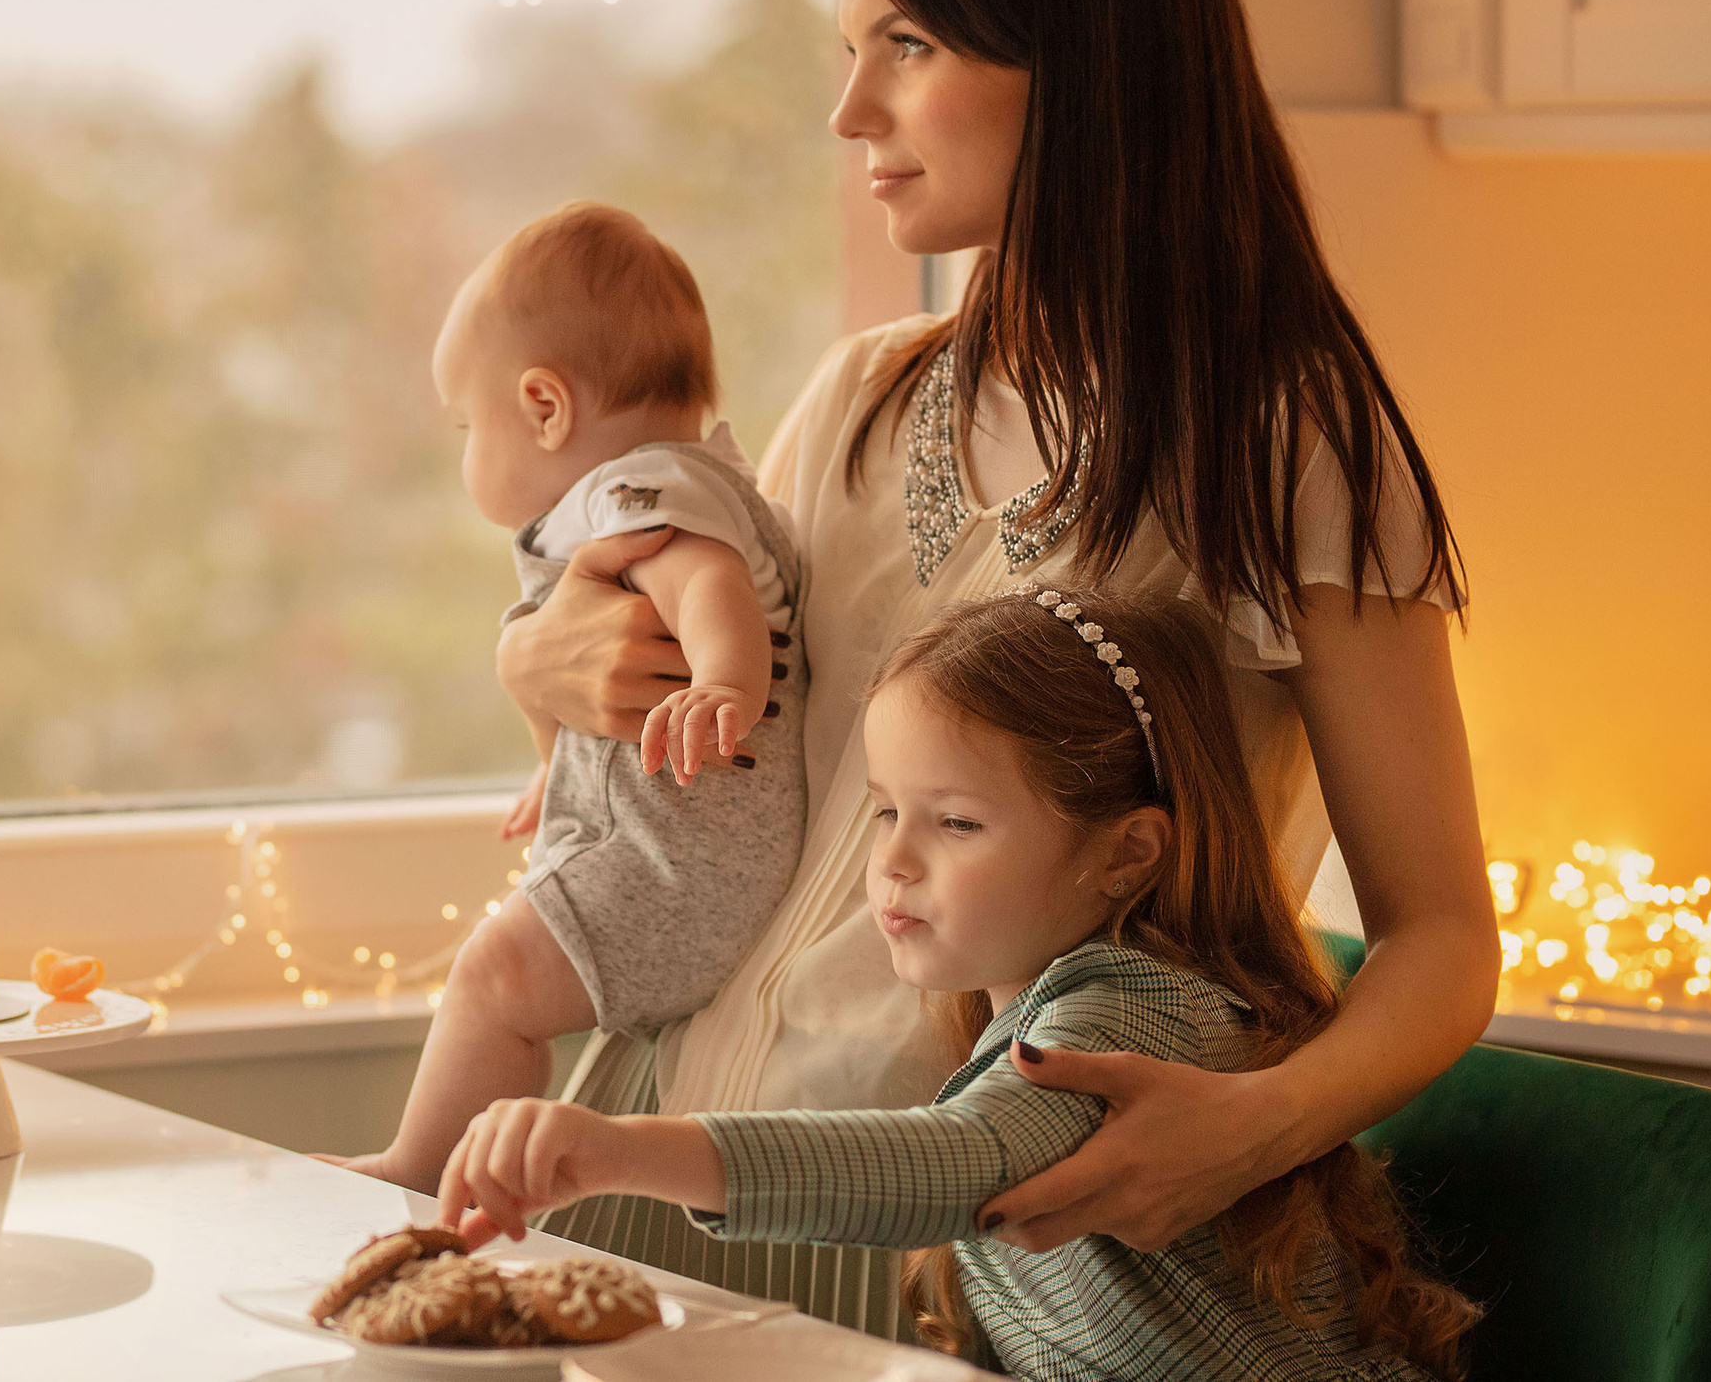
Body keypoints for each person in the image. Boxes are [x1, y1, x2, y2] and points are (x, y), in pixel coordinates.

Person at [494, 0, 1499, 1334]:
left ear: (1080, 64)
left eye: (903, 43)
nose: (848, 108)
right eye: (851, 47)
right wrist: (541, 662)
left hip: (944, 1224)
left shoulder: (1286, 440)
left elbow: (1442, 935)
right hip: (646, 1125)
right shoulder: (859, 395)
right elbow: (692, 774)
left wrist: (1257, 1124)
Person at [444, 588, 1480, 1379]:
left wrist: (619, 1152)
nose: (894, 861)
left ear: (1124, 854)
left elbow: (958, 1162)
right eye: (887, 811)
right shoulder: (1014, 1006)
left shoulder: (1134, 1012)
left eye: (957, 823)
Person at [330, 201, 813, 1192]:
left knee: (493, 979)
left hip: (684, 863)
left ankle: (419, 1168)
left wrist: (726, 678)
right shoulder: (684, 474)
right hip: (666, 847)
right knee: (500, 976)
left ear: (544, 407)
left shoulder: (640, 492)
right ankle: (431, 1166)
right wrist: (556, 773)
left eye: (471, 425)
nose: (467, 451)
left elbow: (703, 582)